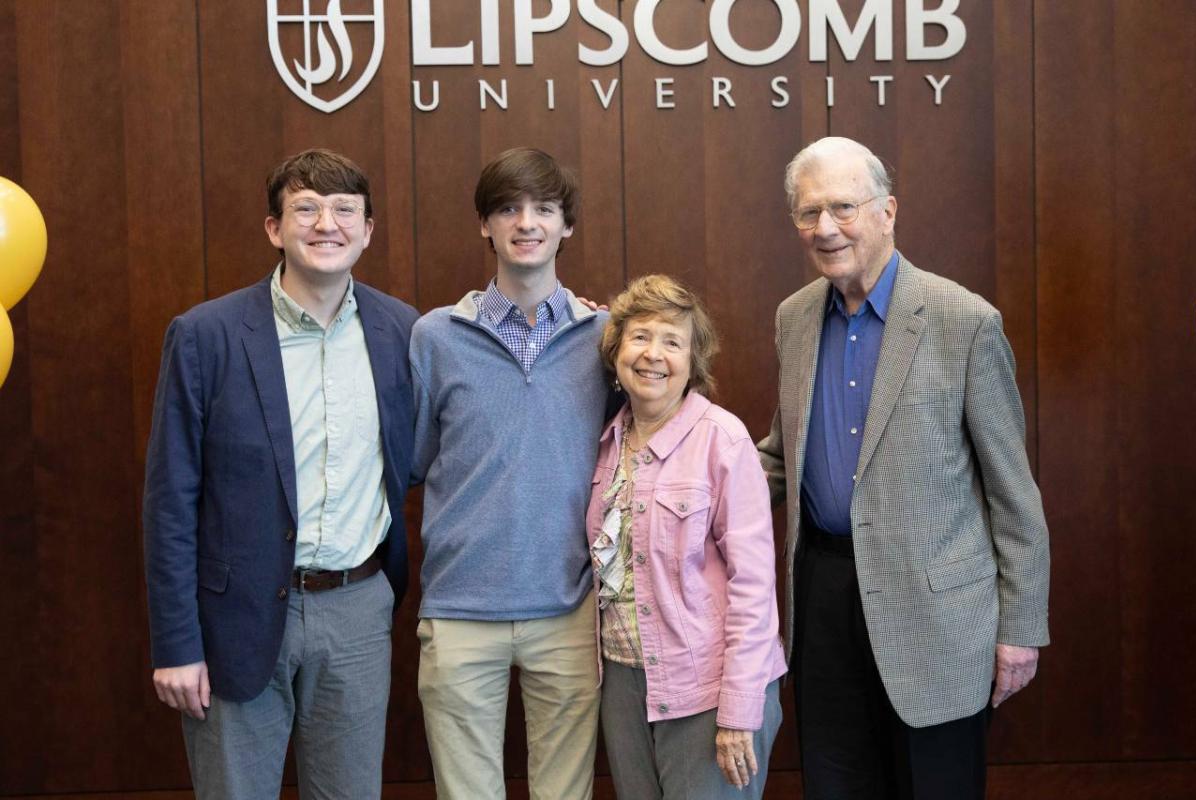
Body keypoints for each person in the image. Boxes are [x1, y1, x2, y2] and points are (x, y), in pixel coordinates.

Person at [756, 136, 1051, 800]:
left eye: (843, 207)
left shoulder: (964, 322)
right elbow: (782, 455)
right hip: (823, 601)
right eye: (809, 212)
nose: (825, 228)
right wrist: (682, 468)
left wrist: (1022, 629)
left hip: (938, 620)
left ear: (887, 211)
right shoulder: (794, 319)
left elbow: (1013, 494)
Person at [143, 148, 419, 799]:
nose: (328, 223)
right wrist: (176, 643)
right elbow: (169, 502)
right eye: (307, 208)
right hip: (232, 617)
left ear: (368, 230)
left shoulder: (402, 331)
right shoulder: (205, 336)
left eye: (344, 209)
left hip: (357, 608)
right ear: (274, 228)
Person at [409, 146, 609, 799]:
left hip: (569, 607)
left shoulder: (606, 336)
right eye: (508, 208)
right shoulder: (435, 337)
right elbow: (414, 458)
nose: (527, 222)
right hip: (461, 608)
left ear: (566, 225)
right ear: (485, 225)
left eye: (544, 209)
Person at [587, 275, 787, 799]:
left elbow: (753, 585)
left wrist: (740, 709)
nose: (653, 354)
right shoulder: (606, 442)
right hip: (624, 685)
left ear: (692, 359)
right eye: (639, 337)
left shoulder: (722, 438)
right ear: (616, 350)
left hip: (707, 687)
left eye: (672, 341)